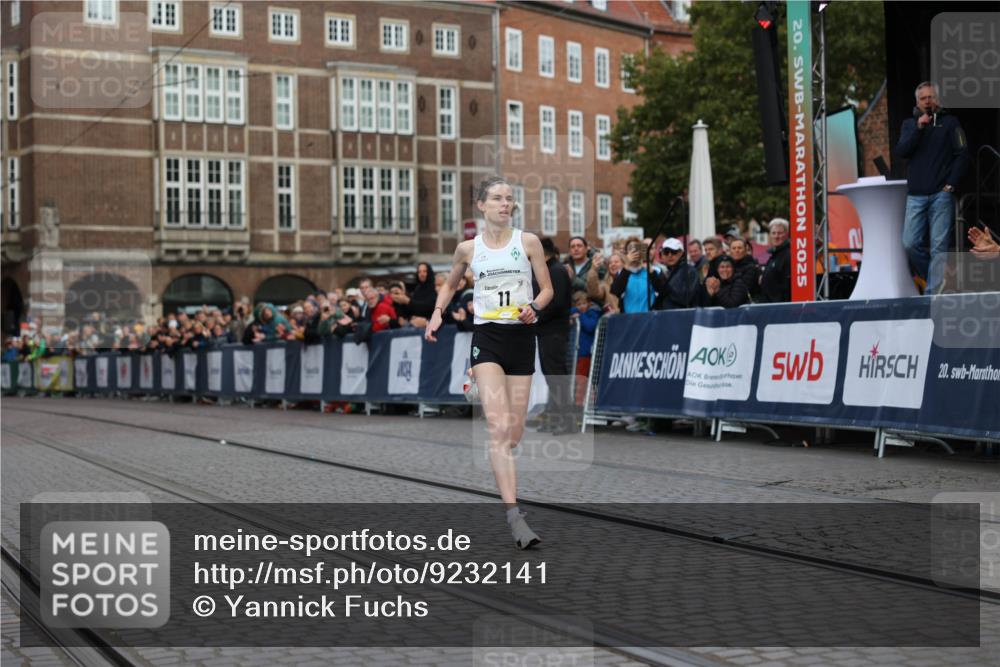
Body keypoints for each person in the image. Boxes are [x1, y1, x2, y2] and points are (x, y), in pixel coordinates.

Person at [424, 176, 553, 550]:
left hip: (521, 338)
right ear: (481, 206)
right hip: (488, 338)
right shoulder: (468, 249)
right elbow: (450, 284)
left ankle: (476, 379)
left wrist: (533, 308)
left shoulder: (527, 242)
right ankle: (516, 517)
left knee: (513, 435)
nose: (504, 204)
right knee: (497, 431)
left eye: (509, 199)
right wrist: (437, 312)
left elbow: (547, 290)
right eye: (496, 198)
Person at [895, 81, 969, 294]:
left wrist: (951, 185)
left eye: (931, 97)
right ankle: (938, 278)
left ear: (938, 99)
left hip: (941, 194)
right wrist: (919, 128)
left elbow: (962, 154)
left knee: (939, 247)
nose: (928, 101)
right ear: (917, 102)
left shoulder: (951, 122)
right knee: (909, 243)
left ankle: (932, 292)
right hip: (916, 195)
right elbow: (901, 151)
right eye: (923, 98)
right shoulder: (910, 125)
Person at [535, 237, 574, 434]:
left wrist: (535, 316)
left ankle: (567, 421)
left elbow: (556, 303)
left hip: (554, 332)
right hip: (546, 331)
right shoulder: (549, 270)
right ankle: (558, 417)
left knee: (557, 377)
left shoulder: (556, 271)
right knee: (553, 378)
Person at [610, 237, 665, 314]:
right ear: (626, 253)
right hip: (628, 320)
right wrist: (627, 266)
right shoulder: (622, 273)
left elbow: (664, 291)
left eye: (637, 248)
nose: (634, 252)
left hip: (649, 319)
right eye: (631, 249)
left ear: (642, 251)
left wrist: (651, 272)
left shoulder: (655, 271)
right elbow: (615, 291)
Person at [655, 238, 701, 310]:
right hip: (666, 317)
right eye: (666, 252)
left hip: (684, 317)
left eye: (674, 252)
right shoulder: (665, 272)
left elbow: (685, 299)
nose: (670, 255)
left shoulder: (690, 271)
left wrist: (665, 281)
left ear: (681, 253)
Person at [758, 218, 791, 303]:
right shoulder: (774, 255)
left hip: (781, 309)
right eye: (773, 233)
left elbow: (787, 286)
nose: (776, 236)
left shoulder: (789, 255)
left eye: (780, 233)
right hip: (771, 307)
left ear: (787, 234)